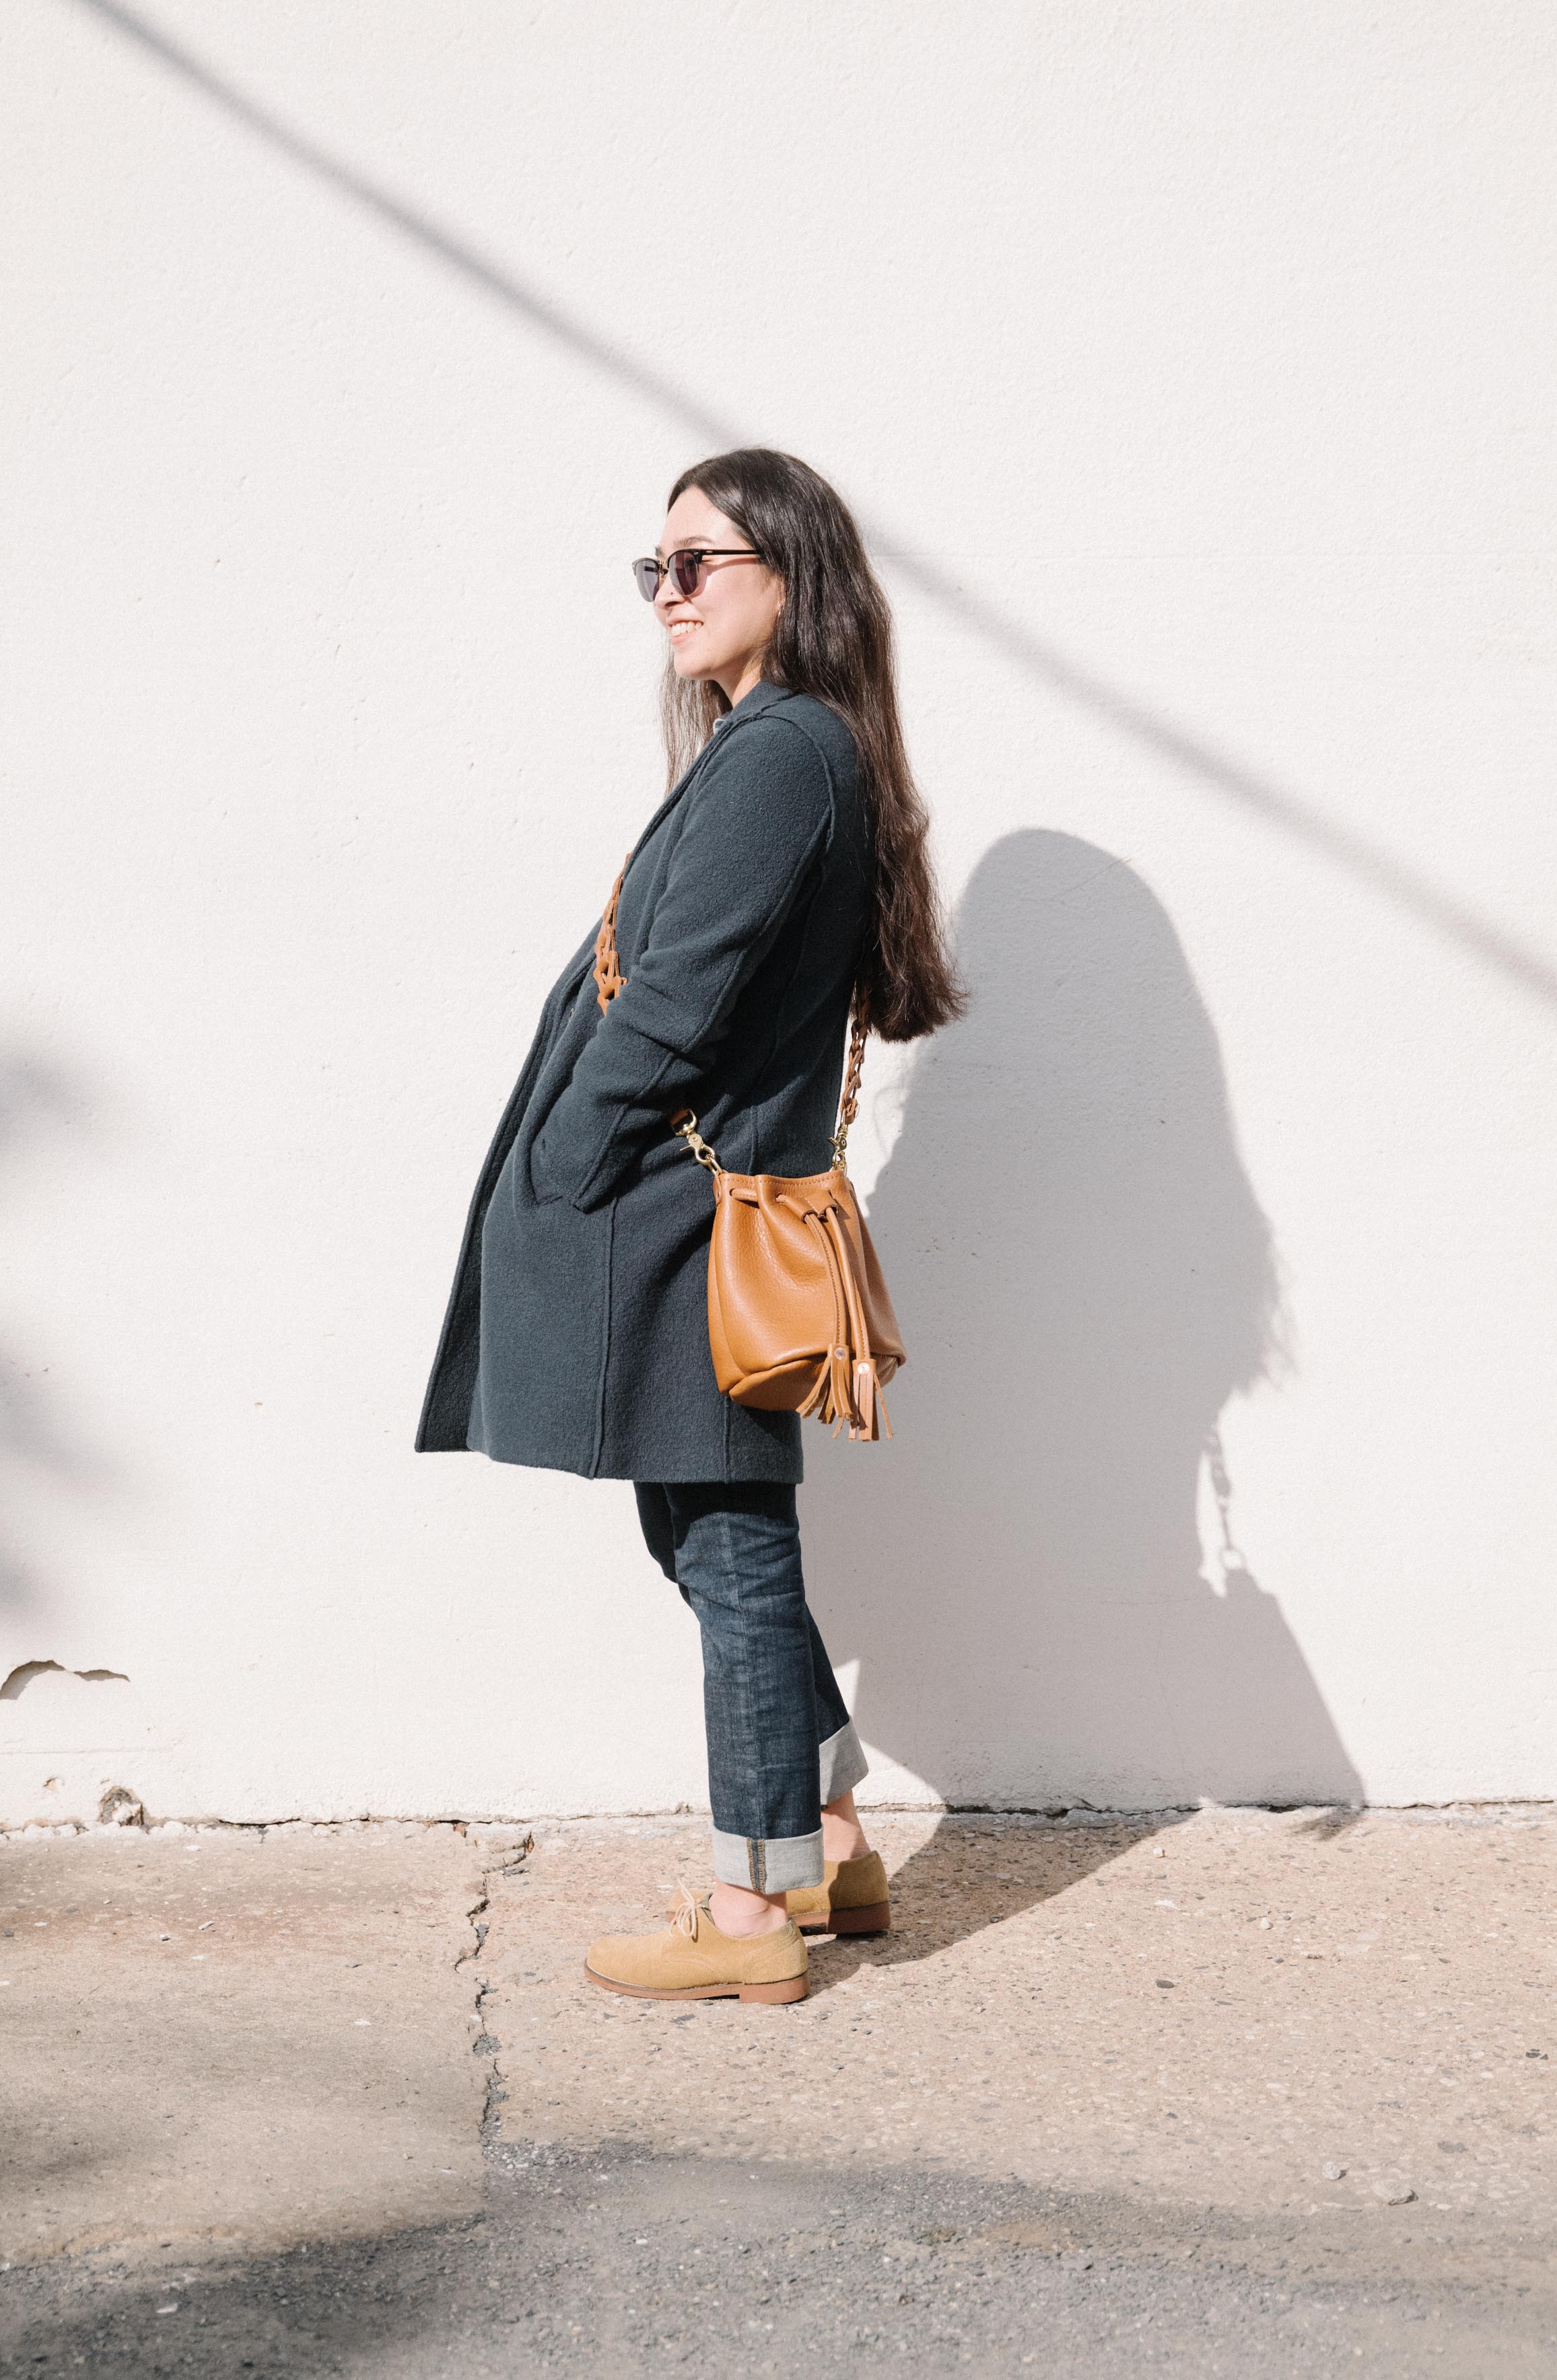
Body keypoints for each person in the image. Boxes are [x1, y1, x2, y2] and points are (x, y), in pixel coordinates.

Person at [416, 448, 961, 2002]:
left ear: (794, 576)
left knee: (725, 1550)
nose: (666, 589)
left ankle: (750, 1915)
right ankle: (834, 1837)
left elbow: (679, 998)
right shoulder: (787, 747)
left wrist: (571, 1156)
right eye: (651, 565)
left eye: (699, 560)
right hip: (679, 1210)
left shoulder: (783, 752)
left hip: (668, 1216)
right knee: (706, 1536)